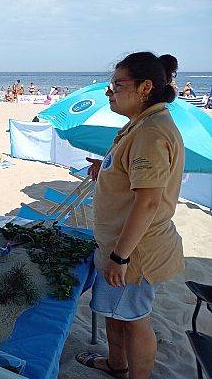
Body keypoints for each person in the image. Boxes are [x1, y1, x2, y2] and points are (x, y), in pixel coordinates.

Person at [76, 52, 184, 379]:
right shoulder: (140, 124)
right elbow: (132, 177)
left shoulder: (151, 132)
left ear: (145, 87)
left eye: (117, 85)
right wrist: (104, 169)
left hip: (134, 251)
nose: (110, 92)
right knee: (117, 313)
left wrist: (120, 257)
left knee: (136, 320)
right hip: (120, 245)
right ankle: (115, 364)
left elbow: (149, 201)